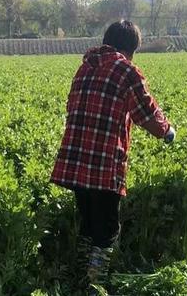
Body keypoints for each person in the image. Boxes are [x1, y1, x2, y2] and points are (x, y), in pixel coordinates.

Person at [50, 20, 176, 295]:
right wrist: (167, 131)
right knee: (107, 228)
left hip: (76, 160)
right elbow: (146, 112)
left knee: (87, 222)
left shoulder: (85, 67)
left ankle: (80, 277)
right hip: (104, 163)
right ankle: (96, 285)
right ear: (131, 49)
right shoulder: (126, 70)